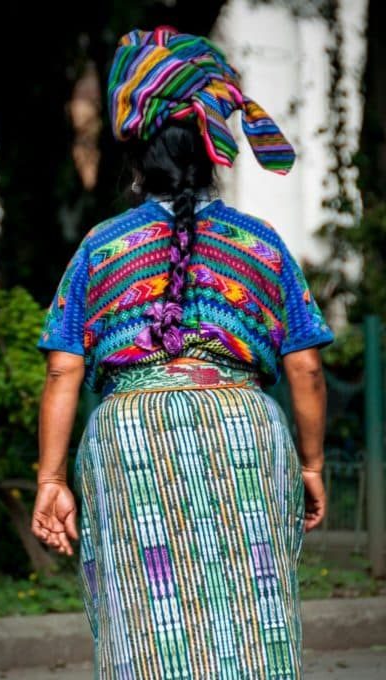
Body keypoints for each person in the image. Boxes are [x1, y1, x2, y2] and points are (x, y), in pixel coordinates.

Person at [30, 27, 333, 679]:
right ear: (214, 151)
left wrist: (51, 479)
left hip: (130, 434)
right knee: (251, 614)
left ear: (136, 151)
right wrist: (310, 465)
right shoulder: (261, 244)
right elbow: (305, 366)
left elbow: (62, 367)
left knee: (144, 614)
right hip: (242, 428)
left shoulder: (100, 247)